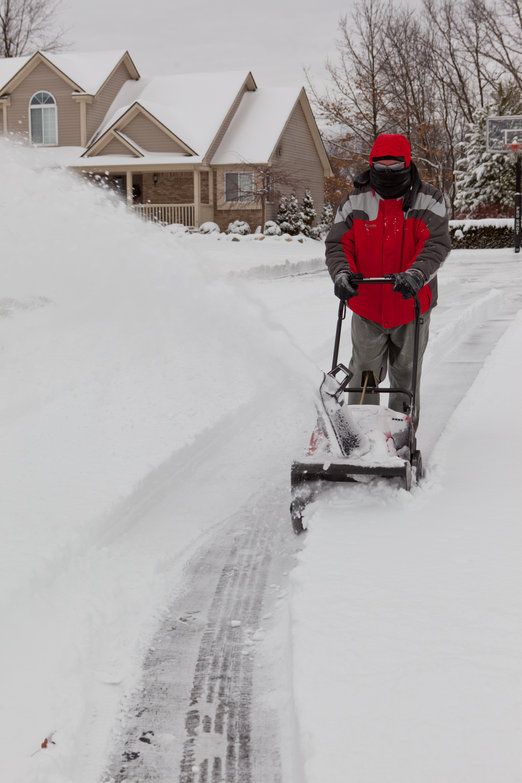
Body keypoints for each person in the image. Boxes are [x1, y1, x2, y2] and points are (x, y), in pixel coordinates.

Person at [325, 133, 451, 428]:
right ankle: (361, 432)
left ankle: (401, 432)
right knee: (364, 373)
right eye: (381, 168)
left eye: (395, 167)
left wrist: (416, 274)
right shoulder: (356, 199)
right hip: (367, 303)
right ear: (372, 165)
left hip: (412, 304)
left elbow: (436, 244)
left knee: (405, 373)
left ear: (408, 165)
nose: (388, 173)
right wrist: (341, 273)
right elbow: (337, 244)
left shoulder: (428, 199)